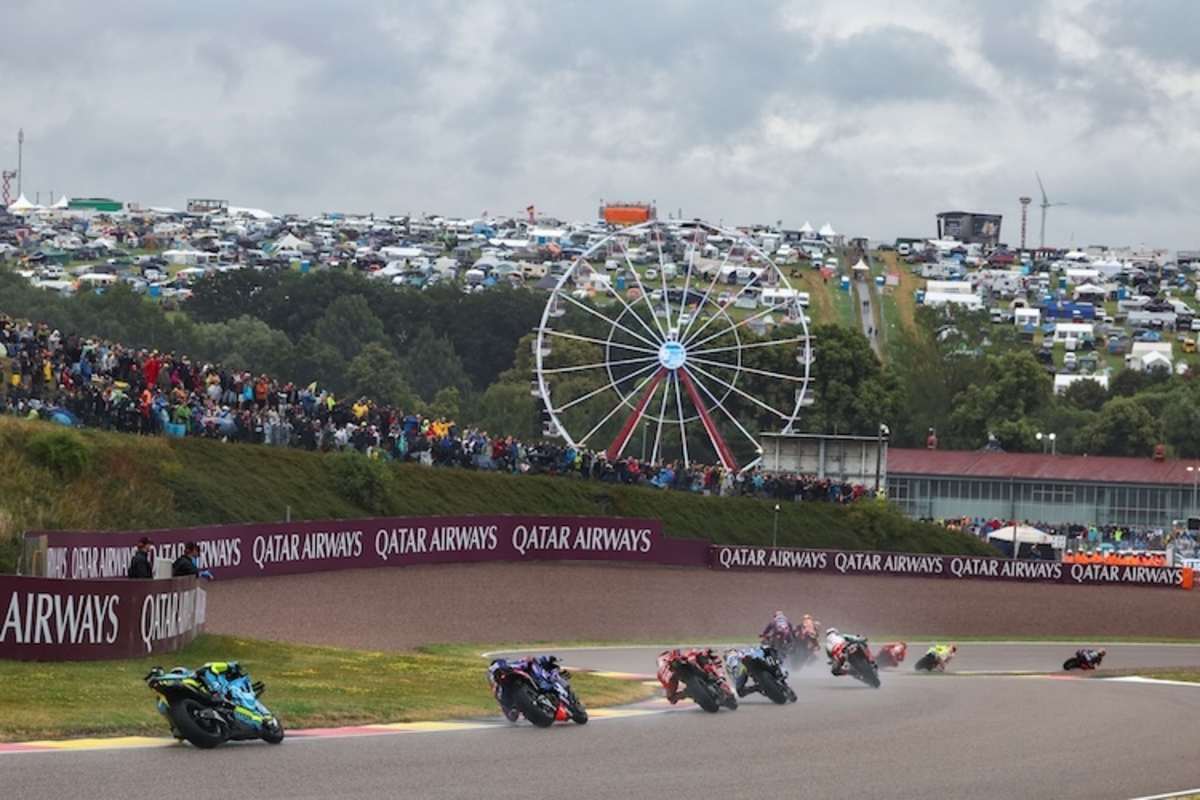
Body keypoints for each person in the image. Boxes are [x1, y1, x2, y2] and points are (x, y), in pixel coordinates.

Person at [488, 655, 563, 721]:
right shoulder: (498, 688)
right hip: (525, 699)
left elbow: (530, 660)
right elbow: (511, 717)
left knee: (536, 668)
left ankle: (550, 681)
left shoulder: (512, 665)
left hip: (535, 681)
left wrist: (547, 660)